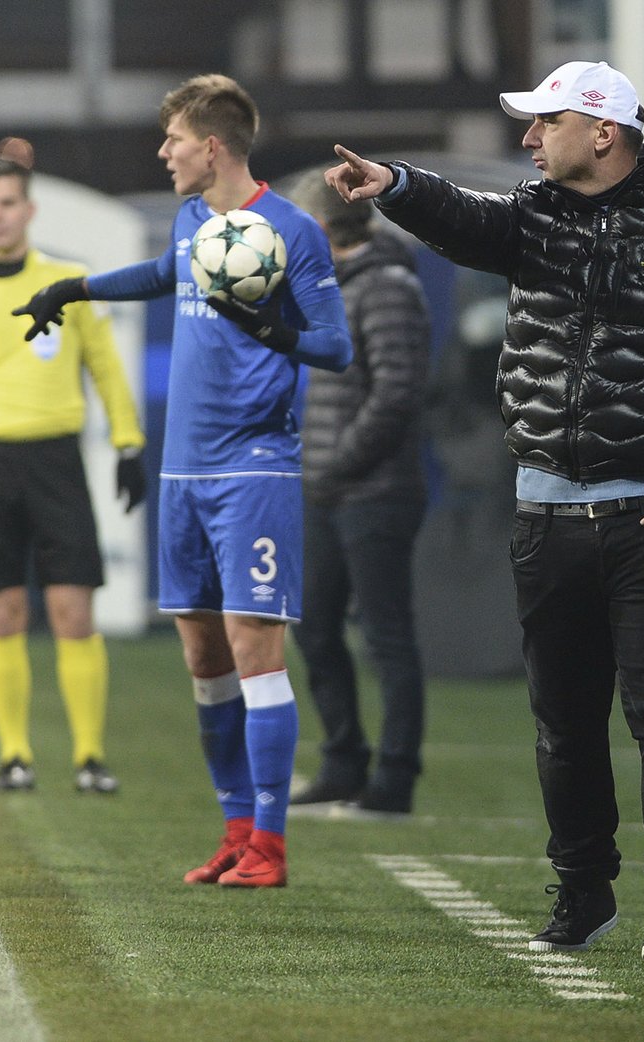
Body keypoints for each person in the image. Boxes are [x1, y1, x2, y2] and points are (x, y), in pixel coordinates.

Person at [325, 60, 644, 963]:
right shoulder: (532, 217)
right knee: (564, 723)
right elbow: (463, 216)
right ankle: (582, 896)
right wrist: (396, 186)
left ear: (603, 131)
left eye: (546, 123)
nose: (530, 139)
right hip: (546, 516)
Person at [15, 75, 353, 888]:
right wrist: (77, 287)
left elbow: (335, 346)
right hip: (183, 471)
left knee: (254, 651)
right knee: (205, 659)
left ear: (212, 144)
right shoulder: (193, 220)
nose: (163, 152)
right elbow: (167, 274)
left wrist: (273, 327)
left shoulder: (291, 231)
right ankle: (235, 830)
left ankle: (270, 846)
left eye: (172, 139)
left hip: (253, 468)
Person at [0, 155, 146, 794]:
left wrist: (128, 443)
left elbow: (105, 363)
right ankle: (15, 755)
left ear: (29, 208)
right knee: (1, 613)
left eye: (8, 203)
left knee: (74, 611)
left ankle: (90, 757)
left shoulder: (69, 282)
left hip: (56, 462)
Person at [286, 169, 430, 814]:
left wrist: (337, 463)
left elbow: (397, 394)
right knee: (315, 628)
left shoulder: (388, 287)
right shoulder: (332, 287)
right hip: (327, 488)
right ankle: (343, 763)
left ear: (320, 228)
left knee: (386, 636)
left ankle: (394, 779)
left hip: (375, 491)